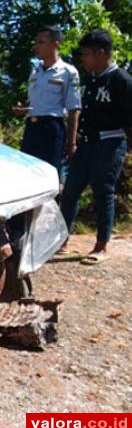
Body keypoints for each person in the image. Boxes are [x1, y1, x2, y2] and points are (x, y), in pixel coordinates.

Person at [59, 30, 131, 265]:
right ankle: (62, 241)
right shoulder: (90, 80)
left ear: (101, 53)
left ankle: (101, 245)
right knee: (70, 191)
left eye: (86, 54)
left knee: (103, 192)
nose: (83, 59)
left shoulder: (121, 80)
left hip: (110, 142)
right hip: (87, 144)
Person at [13, 25, 81, 172]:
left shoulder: (69, 72)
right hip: (32, 128)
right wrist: (23, 109)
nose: (36, 46)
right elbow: (34, 102)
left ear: (55, 43)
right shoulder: (35, 71)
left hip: (51, 128)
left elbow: (73, 109)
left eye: (41, 42)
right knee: (27, 171)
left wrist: (72, 143)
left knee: (48, 173)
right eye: (36, 42)